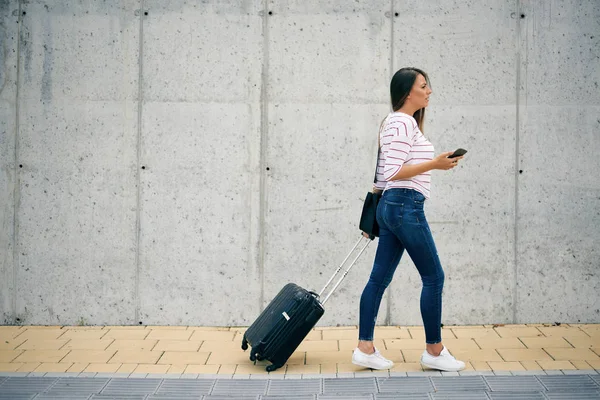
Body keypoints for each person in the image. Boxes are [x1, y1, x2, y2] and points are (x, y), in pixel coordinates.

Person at [352, 67, 466, 372]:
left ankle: (365, 347)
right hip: (405, 206)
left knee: (378, 278)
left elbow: (384, 173)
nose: (429, 91)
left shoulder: (396, 123)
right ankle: (434, 350)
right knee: (434, 277)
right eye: (424, 86)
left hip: (392, 206)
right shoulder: (402, 122)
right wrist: (435, 165)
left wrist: (433, 162)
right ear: (407, 92)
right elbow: (393, 171)